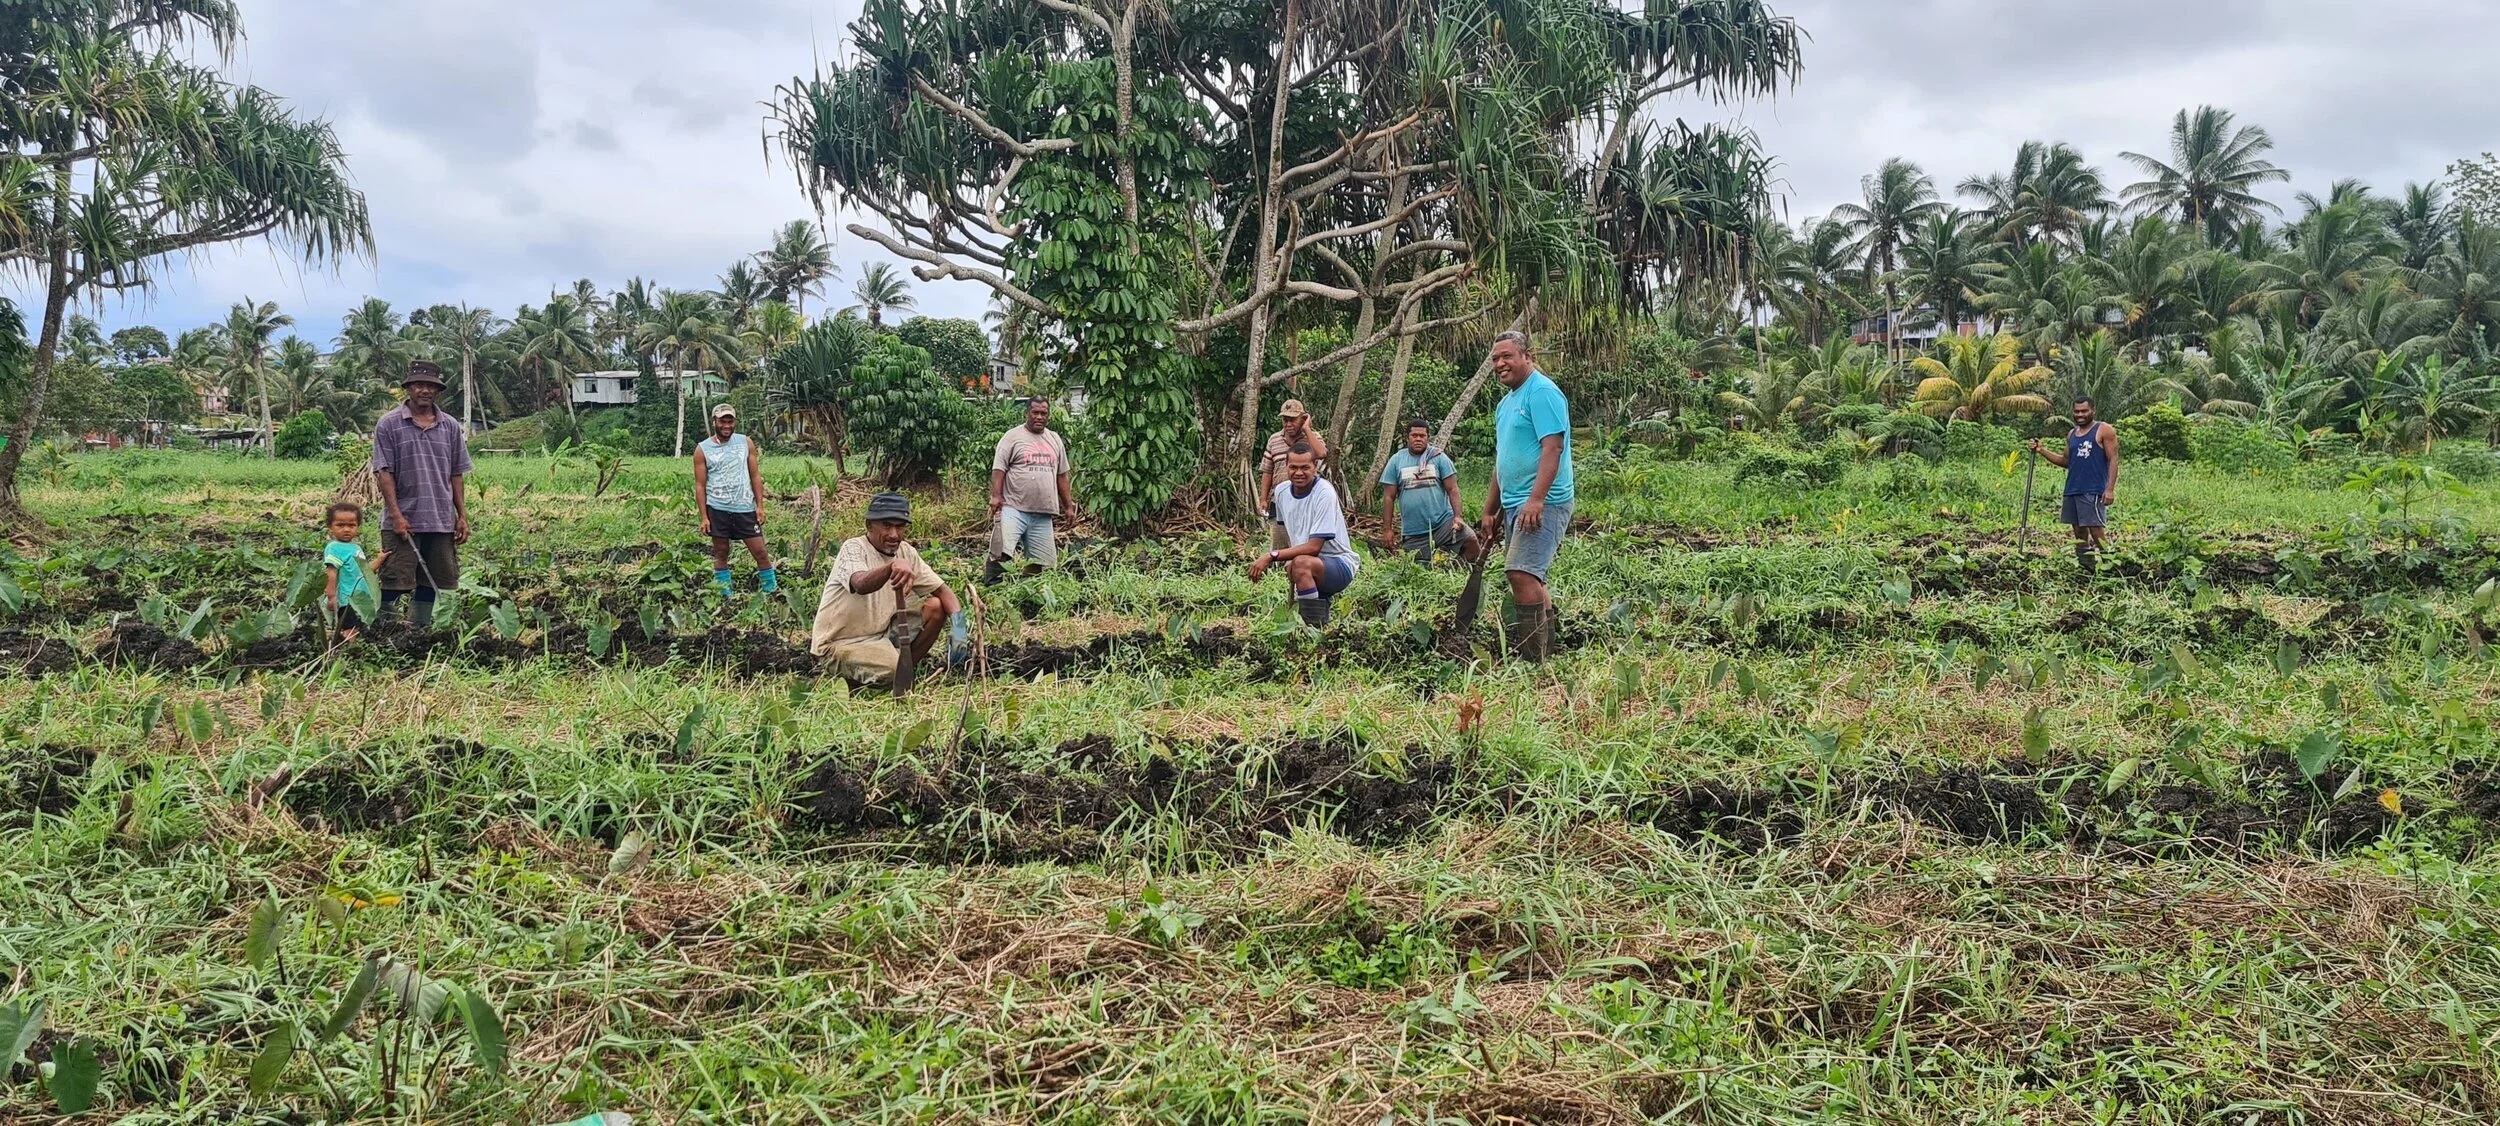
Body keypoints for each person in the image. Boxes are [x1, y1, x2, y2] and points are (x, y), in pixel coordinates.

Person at [1474, 331, 1573, 661]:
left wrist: (1536, 499)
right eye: (1495, 359)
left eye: (1507, 356)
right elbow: (1503, 460)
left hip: (1545, 502)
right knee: (1531, 576)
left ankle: (1533, 659)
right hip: (1515, 502)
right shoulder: (1505, 404)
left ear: (1527, 356)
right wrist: (1490, 509)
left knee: (1521, 573)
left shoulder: (1542, 392)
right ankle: (1545, 651)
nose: (1500, 364)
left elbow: (1553, 447)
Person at [811, 492, 965, 692]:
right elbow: (860, 584)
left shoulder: (906, 552)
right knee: (892, 669)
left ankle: (904, 672)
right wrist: (891, 568)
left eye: (899, 527)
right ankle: (888, 674)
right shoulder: (853, 548)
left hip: (881, 634)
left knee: (936, 607)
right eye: (886, 526)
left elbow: (943, 592)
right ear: (869, 525)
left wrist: (960, 627)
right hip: (839, 643)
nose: (894, 534)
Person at [371, 360, 471, 628]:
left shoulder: (450, 426)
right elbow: (384, 473)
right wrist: (396, 516)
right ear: (409, 388)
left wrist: (461, 516)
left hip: (440, 518)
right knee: (394, 578)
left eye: (430, 386)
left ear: (437, 390)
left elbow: (456, 474)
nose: (425, 390)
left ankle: (419, 630)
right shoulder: (389, 424)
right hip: (405, 519)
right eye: (419, 385)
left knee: (432, 580)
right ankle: (385, 631)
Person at [1252, 445, 1359, 628]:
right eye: (1293, 467)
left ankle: (1310, 629)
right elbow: (1289, 532)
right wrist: (1289, 561)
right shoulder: (1281, 492)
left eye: (1305, 467)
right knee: (1298, 565)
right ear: (1286, 466)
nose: (1299, 473)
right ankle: (1316, 628)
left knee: (1301, 563)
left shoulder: (1324, 493)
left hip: (1339, 564)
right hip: (1310, 563)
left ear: (1315, 467)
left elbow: (1314, 547)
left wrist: (1272, 556)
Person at [985, 396, 1072, 584]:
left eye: (1043, 413)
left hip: (1042, 512)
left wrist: (1068, 506)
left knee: (1039, 562)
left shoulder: (1054, 439)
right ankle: (991, 586)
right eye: (1035, 412)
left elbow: (1062, 476)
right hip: (1013, 507)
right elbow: (999, 468)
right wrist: (996, 495)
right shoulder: (1012, 437)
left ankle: (1027, 591)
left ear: (1048, 415)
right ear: (1027, 413)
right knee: (1001, 550)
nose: (1039, 417)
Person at [694, 403, 778, 597]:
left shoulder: (745, 442)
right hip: (717, 508)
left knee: (760, 552)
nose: (726, 425)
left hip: (744, 507)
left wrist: (760, 506)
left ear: (735, 422)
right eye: (722, 421)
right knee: (721, 552)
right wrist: (704, 517)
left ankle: (771, 592)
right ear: (714, 422)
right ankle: (725, 595)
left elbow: (755, 475)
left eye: (730, 421)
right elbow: (700, 485)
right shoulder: (702, 449)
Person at [2030, 396, 2119, 574]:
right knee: (2079, 531)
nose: (2080, 414)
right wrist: (2041, 450)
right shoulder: (2072, 434)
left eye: (2084, 411)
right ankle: (2087, 568)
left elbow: (2113, 459)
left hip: (2093, 489)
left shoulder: (2104, 430)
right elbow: (2066, 461)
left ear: (2093, 411)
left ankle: (2111, 568)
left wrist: (2109, 489)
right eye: (2077, 411)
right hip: (2073, 488)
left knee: (2096, 529)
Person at [1377, 419, 1479, 564]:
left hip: (1443, 523)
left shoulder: (1439, 457)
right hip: (1414, 532)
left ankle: (1460, 570)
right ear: (1407, 438)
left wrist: (1458, 516)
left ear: (1428, 437)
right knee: (1418, 569)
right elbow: (1389, 497)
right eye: (1414, 435)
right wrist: (1387, 529)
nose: (1418, 439)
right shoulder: (1396, 461)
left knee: (1471, 541)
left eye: (1422, 436)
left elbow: (1452, 489)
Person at [1258, 399, 1329, 552]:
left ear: (1303, 419)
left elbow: (1322, 453)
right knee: (1280, 543)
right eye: (1285, 420)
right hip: (1279, 500)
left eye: (1293, 420)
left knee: (1304, 543)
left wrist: (1307, 429)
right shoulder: (1274, 440)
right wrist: (1263, 499)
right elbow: (1267, 471)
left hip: (1307, 500)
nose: (1288, 424)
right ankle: (1278, 566)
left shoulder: (1312, 437)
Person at [320, 501, 386, 641]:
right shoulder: (334, 548)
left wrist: (379, 560)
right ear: (330, 528)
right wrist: (331, 597)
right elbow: (331, 573)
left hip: (358, 598)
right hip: (345, 599)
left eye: (351, 525)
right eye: (340, 525)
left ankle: (347, 648)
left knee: (355, 628)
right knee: (350, 629)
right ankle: (348, 650)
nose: (346, 529)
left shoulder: (355, 548)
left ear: (358, 527)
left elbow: (364, 571)